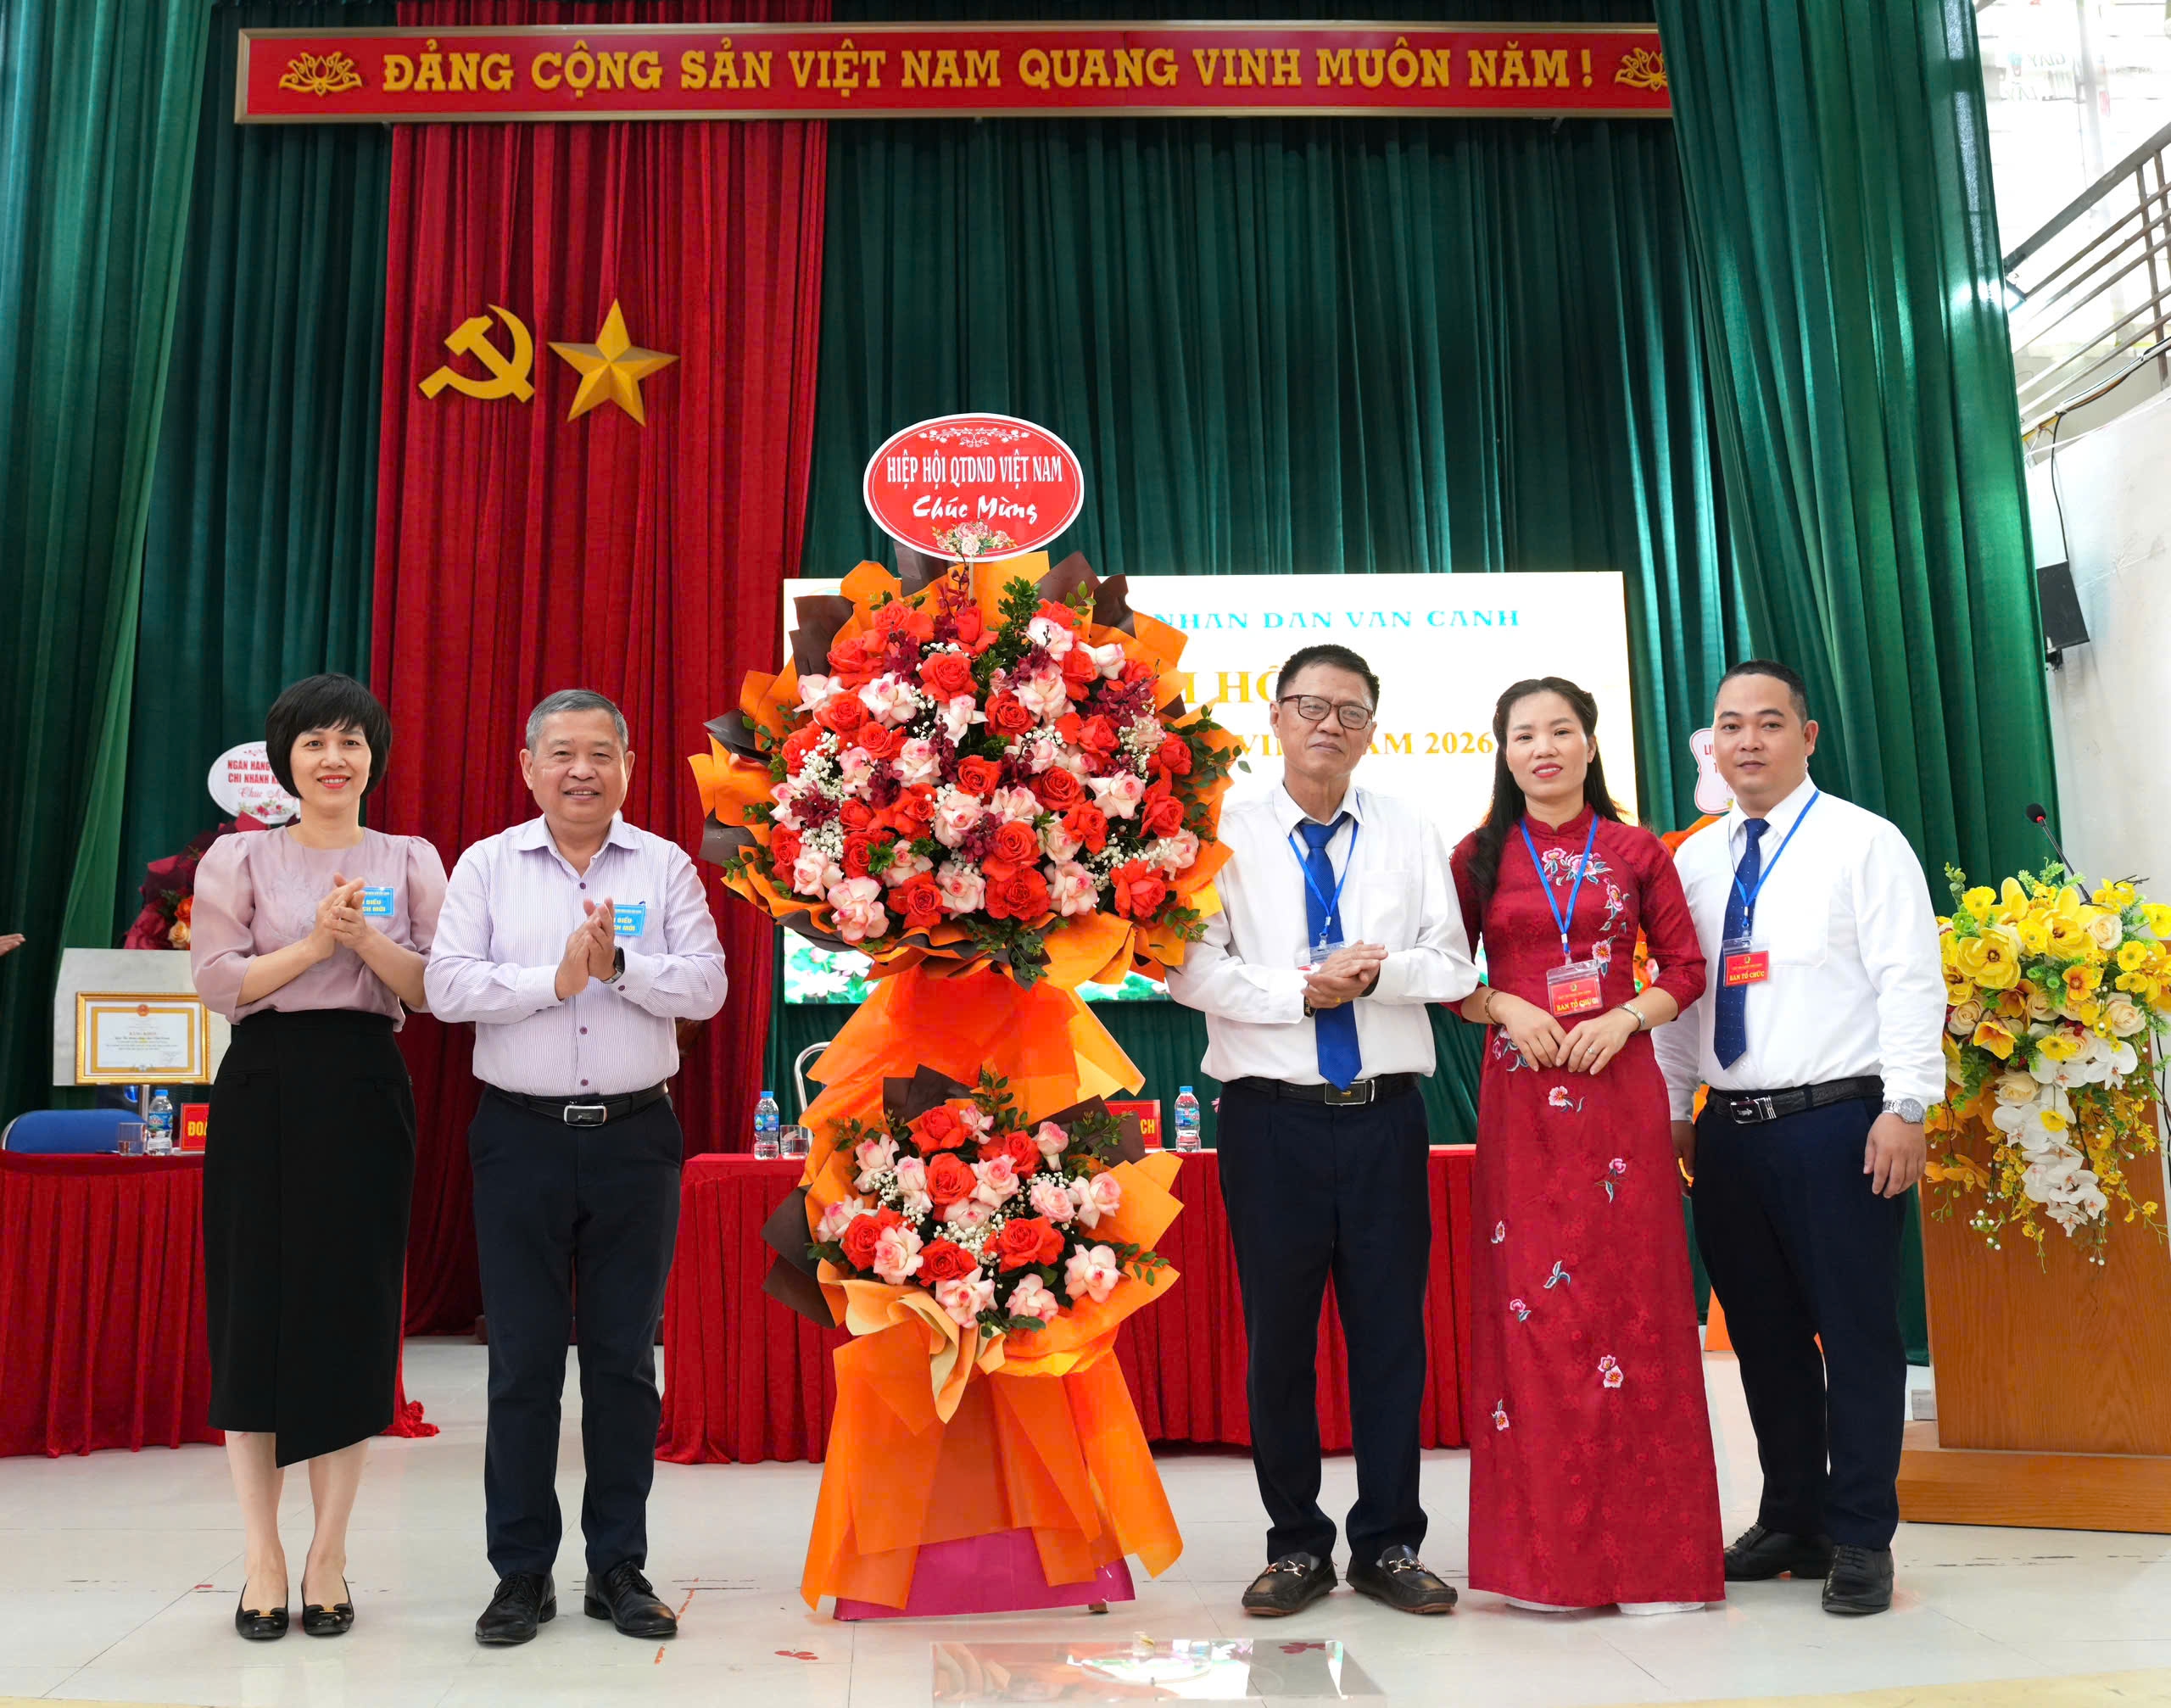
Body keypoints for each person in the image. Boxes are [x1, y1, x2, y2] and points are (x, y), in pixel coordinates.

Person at [1168, 644, 1478, 1619]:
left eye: (1348, 711)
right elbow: (1190, 971)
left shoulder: (1407, 827)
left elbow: (1453, 965)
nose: (1327, 725)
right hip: (1271, 1122)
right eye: (1309, 706)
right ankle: (1295, 1545)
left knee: (1390, 1339)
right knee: (1280, 1342)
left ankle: (1388, 1544)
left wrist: (1375, 974)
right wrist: (1302, 990)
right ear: (1274, 717)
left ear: (1371, 728)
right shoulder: (1220, 833)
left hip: (1385, 1116)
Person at [426, 689, 728, 1648]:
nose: (582, 770)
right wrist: (552, 982)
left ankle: (617, 1567)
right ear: (528, 767)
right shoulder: (486, 864)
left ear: (629, 766)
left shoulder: (666, 864)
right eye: (561, 753)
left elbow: (709, 984)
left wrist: (621, 967)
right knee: (521, 1362)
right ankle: (521, 1573)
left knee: (623, 1362)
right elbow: (446, 985)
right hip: (519, 1136)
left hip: (636, 1139)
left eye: (601, 752)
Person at [1653, 661, 1944, 1617]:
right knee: (1765, 1339)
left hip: (1840, 1124)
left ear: (1806, 736)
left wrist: (1908, 1105)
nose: (1748, 741)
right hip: (1730, 1135)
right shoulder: (1693, 861)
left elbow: (1910, 978)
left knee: (1856, 1335)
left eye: (1769, 723)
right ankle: (1793, 1518)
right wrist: (1674, 1107)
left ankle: (1861, 1534)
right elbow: (1681, 997)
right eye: (1730, 725)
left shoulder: (1864, 842)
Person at [1448, 678, 1722, 1615]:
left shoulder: (1637, 850)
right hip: (1522, 1099)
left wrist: (1627, 1016)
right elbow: (1444, 976)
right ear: (1505, 752)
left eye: (1561, 730)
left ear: (1591, 745)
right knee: (1538, 1315)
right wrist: (1504, 1004)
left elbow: (1686, 967)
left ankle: (1656, 1563)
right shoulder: (1476, 856)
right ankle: (1551, 1566)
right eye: (1524, 734)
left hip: (1617, 1094)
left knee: (1635, 1305)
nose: (1544, 748)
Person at [189, 673, 446, 1642]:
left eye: (351, 741)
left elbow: (432, 987)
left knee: (351, 1313)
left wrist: (363, 939)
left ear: (374, 758)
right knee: (251, 1313)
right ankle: (262, 1557)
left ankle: (328, 1554)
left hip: (364, 1086)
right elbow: (218, 979)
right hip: (262, 1083)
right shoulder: (239, 856)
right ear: (285, 760)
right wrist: (311, 945)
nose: (334, 758)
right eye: (314, 743)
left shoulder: (410, 857)